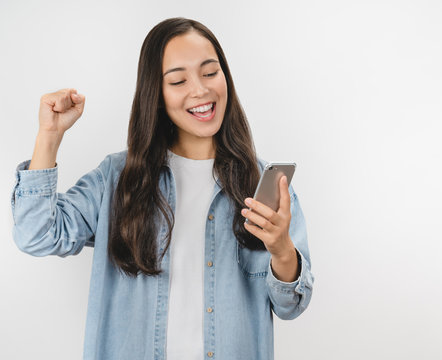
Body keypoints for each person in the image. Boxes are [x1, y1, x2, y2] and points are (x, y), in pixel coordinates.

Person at [11, 17, 313, 360]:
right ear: (157, 93)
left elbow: (291, 305)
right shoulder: (118, 178)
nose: (200, 90)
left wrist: (282, 249)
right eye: (179, 80)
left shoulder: (262, 184)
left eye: (210, 73)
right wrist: (49, 136)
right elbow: (35, 234)